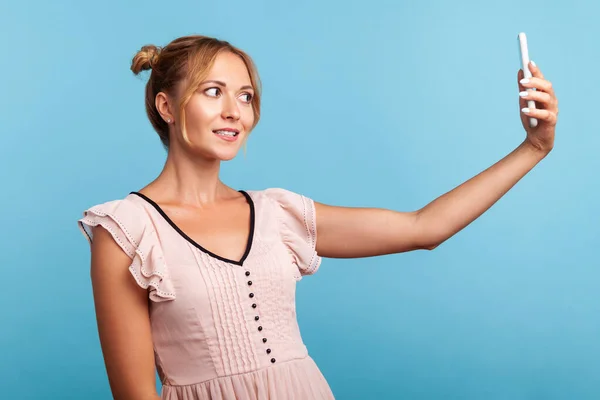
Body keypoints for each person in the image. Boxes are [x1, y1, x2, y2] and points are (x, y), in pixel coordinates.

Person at [77, 34, 558, 400]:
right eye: (212, 91)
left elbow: (423, 228)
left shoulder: (277, 213)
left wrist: (532, 148)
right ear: (166, 106)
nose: (234, 112)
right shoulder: (126, 231)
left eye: (245, 96)